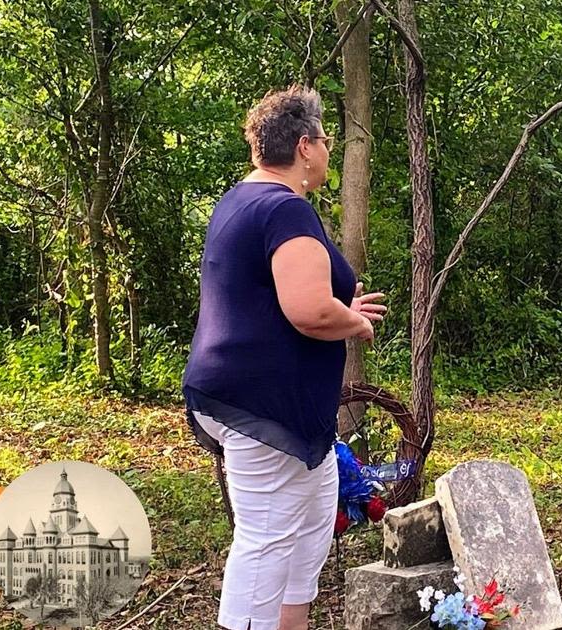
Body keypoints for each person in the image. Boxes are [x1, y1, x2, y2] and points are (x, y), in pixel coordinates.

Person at [183, 85, 386, 630]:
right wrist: (353, 320)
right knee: (267, 536)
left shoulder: (243, 199)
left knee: (316, 514)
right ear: (304, 146)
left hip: (263, 403)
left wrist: (341, 304)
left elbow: (267, 299)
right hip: (261, 406)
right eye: (324, 140)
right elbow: (308, 312)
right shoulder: (285, 209)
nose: (326, 150)